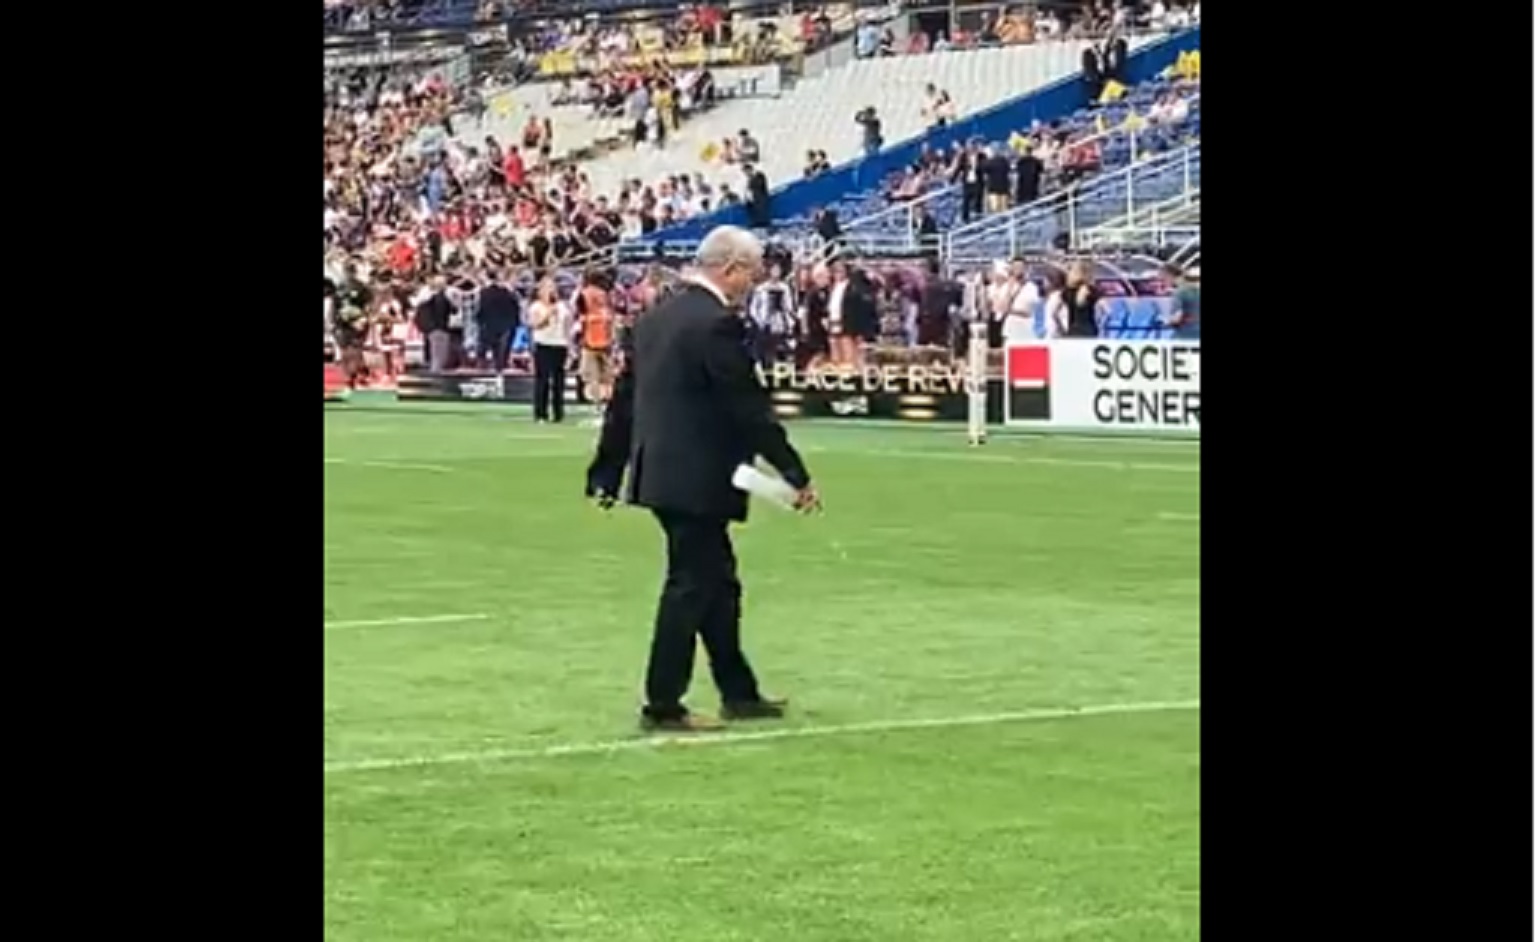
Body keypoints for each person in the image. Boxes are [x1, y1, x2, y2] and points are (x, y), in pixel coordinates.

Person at [585, 225, 820, 733]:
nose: (751, 286)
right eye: (750, 276)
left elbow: (625, 402)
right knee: (692, 584)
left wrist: (607, 468)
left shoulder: (654, 321)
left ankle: (738, 691)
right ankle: (663, 702)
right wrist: (794, 472)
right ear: (731, 268)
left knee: (717, 582)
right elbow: (748, 408)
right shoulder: (716, 325)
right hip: (698, 476)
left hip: (662, 473)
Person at [527, 277, 571, 423]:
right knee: (542, 380)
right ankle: (541, 413)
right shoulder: (536, 307)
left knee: (559, 381)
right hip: (543, 344)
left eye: (552, 288)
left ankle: (558, 413)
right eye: (547, 288)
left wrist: (570, 347)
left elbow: (567, 327)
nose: (550, 291)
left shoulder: (563, 307)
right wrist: (548, 314)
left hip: (560, 345)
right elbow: (535, 325)